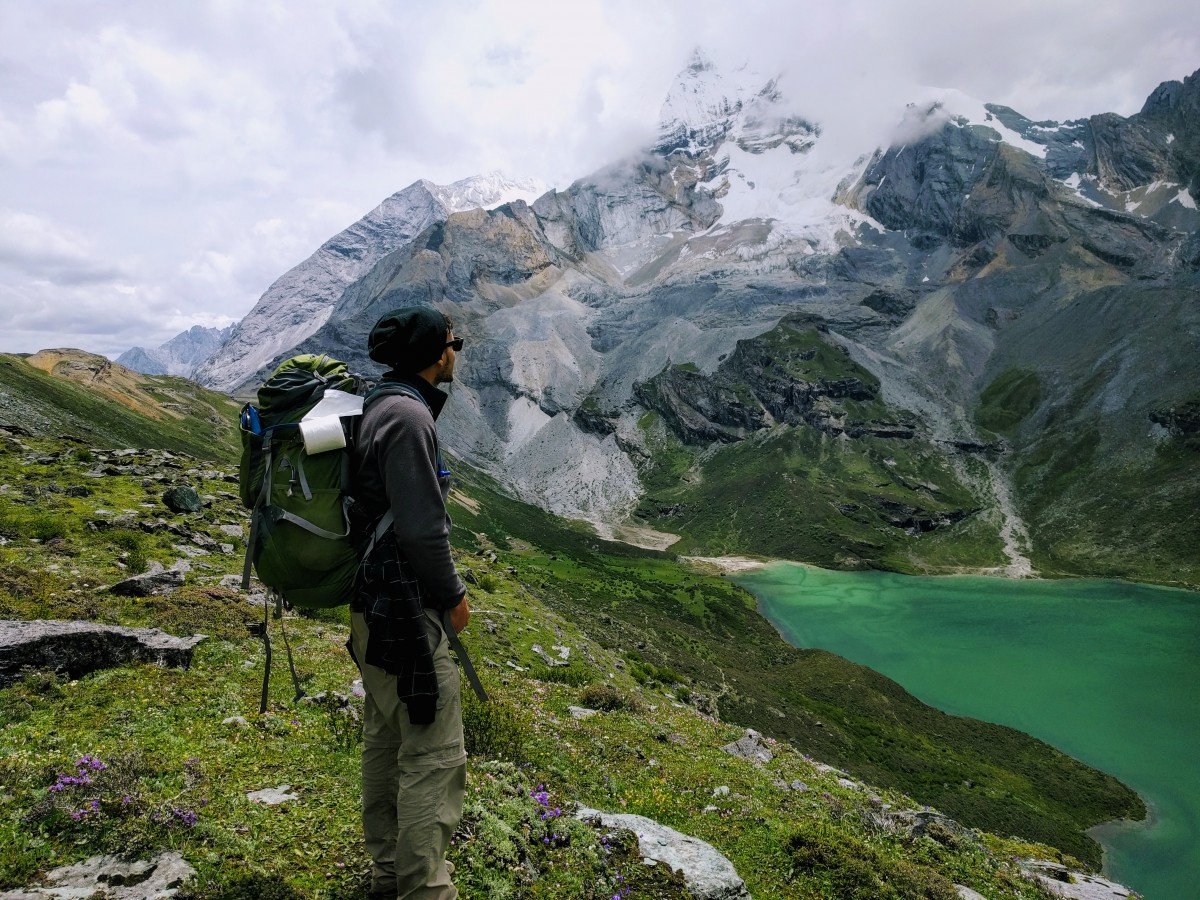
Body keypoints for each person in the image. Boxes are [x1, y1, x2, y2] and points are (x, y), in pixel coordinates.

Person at [349, 305, 471, 900]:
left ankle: (386, 875)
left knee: (387, 735)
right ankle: (424, 891)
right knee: (433, 752)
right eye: (454, 343)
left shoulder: (380, 404)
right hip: (404, 612)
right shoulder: (408, 418)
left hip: (371, 609)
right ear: (435, 352)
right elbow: (423, 529)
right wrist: (452, 595)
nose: (457, 352)